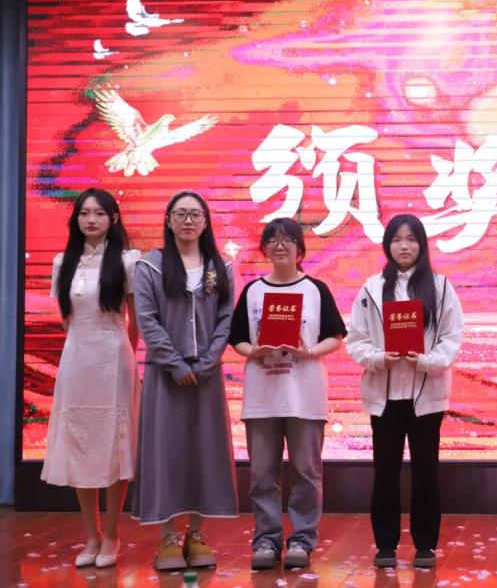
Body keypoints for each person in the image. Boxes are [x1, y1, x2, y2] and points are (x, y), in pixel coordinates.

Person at [345, 214, 464, 569]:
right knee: (385, 471)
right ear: (387, 245)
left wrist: (426, 361)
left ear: (422, 245)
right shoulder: (371, 288)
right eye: (397, 239)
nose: (404, 246)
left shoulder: (441, 287)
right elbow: (356, 338)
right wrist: (378, 357)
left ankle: (425, 544)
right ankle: (385, 545)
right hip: (384, 396)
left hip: (426, 394)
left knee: (426, 470)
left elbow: (452, 336)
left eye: (411, 239)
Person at [229, 217, 347, 571]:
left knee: (306, 472)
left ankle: (302, 540)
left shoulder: (315, 289)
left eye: (288, 239)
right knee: (262, 474)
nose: (280, 245)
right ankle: (266, 540)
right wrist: (254, 351)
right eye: (273, 239)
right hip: (262, 397)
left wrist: (307, 351)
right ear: (264, 248)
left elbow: (336, 337)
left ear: (300, 249)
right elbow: (237, 338)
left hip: (305, 397)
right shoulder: (253, 291)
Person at [131, 190, 238, 571]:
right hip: (165, 376)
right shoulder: (150, 266)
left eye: (195, 214)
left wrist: (208, 362)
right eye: (181, 214)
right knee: (165, 452)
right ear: (168, 220)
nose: (188, 221)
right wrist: (175, 364)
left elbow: (226, 318)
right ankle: (167, 537)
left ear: (206, 222)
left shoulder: (220, 267)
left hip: (207, 375)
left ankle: (196, 533)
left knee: (204, 450)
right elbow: (147, 320)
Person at [43, 188, 141, 569]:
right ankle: (91, 535)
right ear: (76, 219)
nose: (91, 220)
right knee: (80, 442)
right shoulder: (62, 262)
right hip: (76, 359)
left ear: (113, 219)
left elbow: (134, 321)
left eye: (99, 213)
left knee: (114, 444)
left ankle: (112, 534)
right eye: (84, 213)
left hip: (115, 358)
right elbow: (66, 319)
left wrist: (125, 355)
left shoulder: (129, 261)